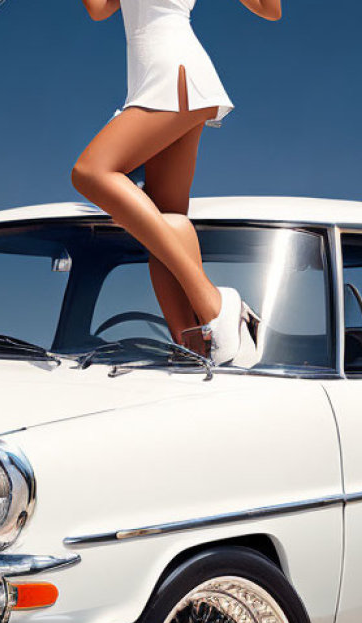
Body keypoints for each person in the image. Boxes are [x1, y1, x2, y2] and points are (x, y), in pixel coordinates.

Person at [73, 0, 283, 365]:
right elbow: (99, 8)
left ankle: (215, 303)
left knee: (91, 172)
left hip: (173, 71)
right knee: (166, 219)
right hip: (154, 77)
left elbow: (269, 8)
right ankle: (194, 349)